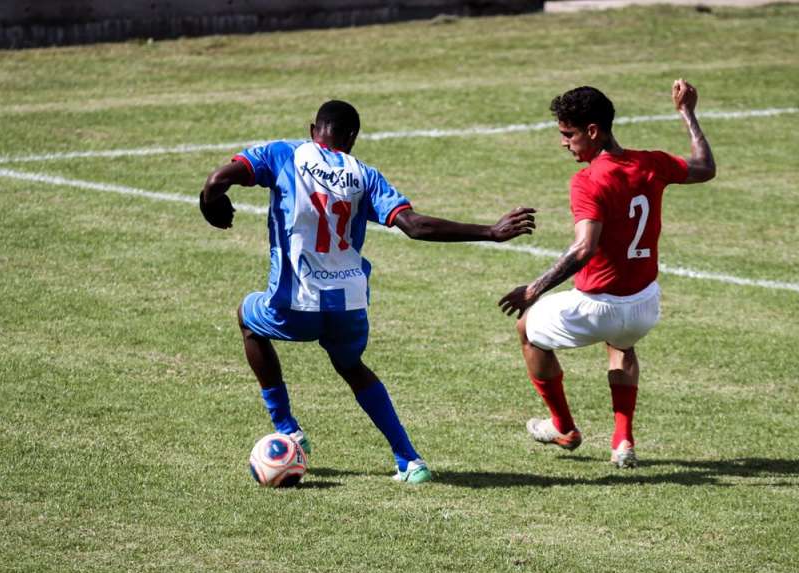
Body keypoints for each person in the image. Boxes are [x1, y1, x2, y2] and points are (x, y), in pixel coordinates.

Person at [200, 100, 536, 484]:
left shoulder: (282, 154)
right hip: (349, 305)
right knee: (350, 366)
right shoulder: (365, 175)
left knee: (248, 318)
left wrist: (212, 203)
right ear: (353, 138)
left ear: (314, 130)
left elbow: (217, 180)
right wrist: (490, 232)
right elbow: (414, 226)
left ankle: (288, 428)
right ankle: (409, 460)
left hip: (295, 305)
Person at [498, 80, 715, 468]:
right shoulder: (651, 162)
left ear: (592, 131)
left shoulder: (589, 180)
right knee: (622, 345)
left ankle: (563, 427)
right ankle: (623, 441)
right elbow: (705, 167)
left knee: (527, 330)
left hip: (597, 307)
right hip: (645, 306)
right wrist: (688, 112)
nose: (564, 143)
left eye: (569, 134)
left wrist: (533, 288)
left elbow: (584, 248)